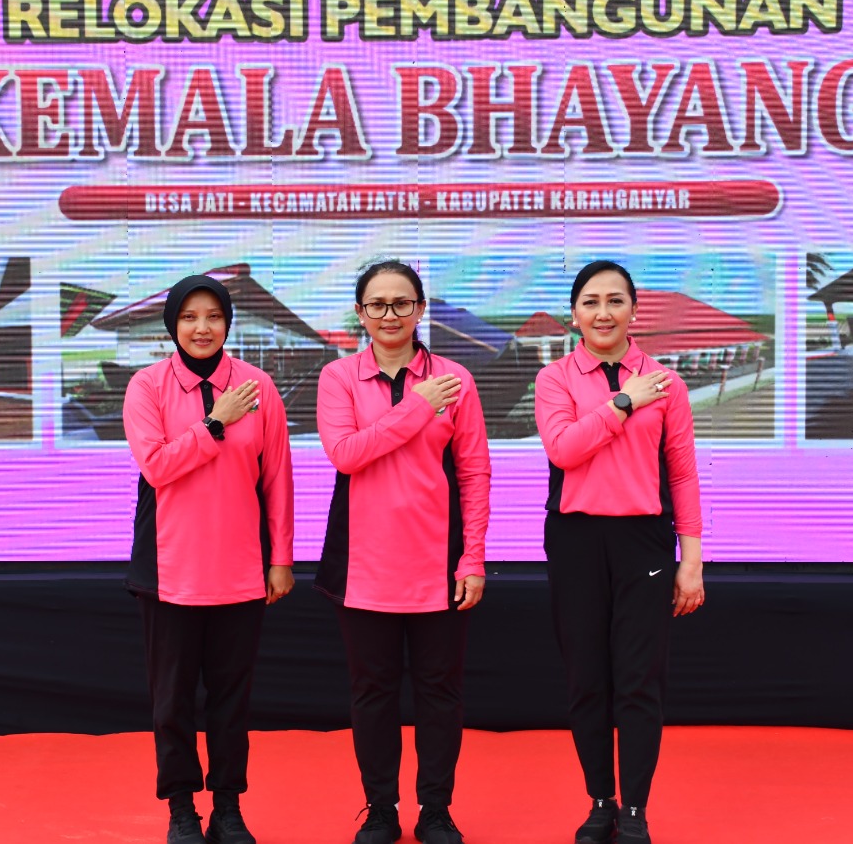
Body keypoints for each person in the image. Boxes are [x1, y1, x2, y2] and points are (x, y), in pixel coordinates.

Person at [314, 261, 492, 844]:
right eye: (377, 304)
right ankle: (381, 809)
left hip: (438, 563)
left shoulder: (455, 379)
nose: (389, 315)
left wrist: (472, 557)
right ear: (360, 313)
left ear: (420, 309)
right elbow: (346, 453)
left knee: (441, 694)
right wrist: (418, 406)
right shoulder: (338, 377)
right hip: (363, 566)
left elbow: (474, 473)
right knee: (373, 694)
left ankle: (435, 810)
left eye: (401, 303)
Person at [533, 261, 706, 844]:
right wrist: (622, 402)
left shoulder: (666, 382)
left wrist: (691, 561)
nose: (602, 312)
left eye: (615, 300)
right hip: (576, 539)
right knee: (587, 679)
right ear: (574, 314)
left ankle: (634, 808)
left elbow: (682, 474)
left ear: (635, 310)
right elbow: (563, 449)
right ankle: (600, 801)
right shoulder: (555, 379)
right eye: (590, 301)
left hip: (644, 541)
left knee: (638, 680)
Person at [122, 274, 296, 844]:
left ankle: (227, 808)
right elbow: (157, 466)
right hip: (169, 569)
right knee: (171, 701)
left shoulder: (258, 386)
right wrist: (215, 422)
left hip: (241, 569)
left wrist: (281, 558)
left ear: (228, 323)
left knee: (230, 700)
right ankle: (180, 810)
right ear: (172, 324)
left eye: (214, 316)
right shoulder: (147, 386)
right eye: (190, 317)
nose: (203, 328)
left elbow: (278, 479)